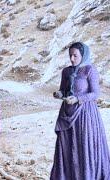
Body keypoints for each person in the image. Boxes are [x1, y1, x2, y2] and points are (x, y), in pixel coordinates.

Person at [50, 42, 110, 179]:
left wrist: (78, 98)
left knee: (84, 147)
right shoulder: (66, 71)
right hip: (67, 113)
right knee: (67, 146)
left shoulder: (89, 70)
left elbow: (95, 94)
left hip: (85, 115)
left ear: (83, 55)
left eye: (75, 55)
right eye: (70, 55)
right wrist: (59, 94)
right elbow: (64, 90)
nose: (72, 58)